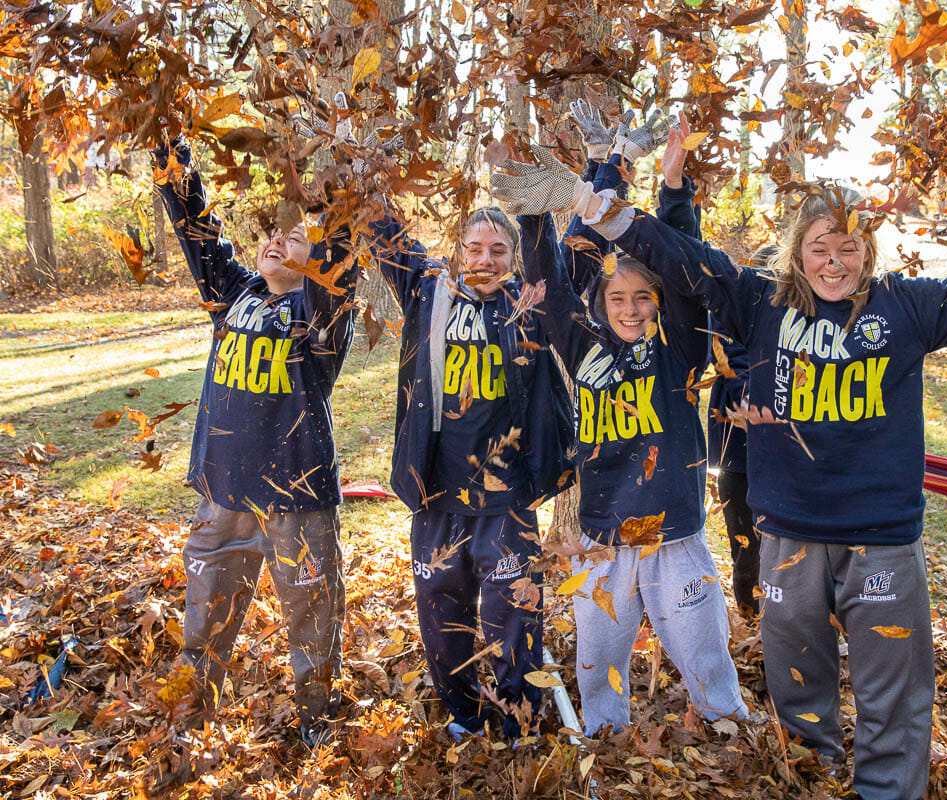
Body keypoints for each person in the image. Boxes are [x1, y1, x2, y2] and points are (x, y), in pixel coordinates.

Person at [491, 140, 947, 796]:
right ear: (798, 253)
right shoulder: (760, 303)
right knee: (798, 691)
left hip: (879, 539)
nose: (834, 263)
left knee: (891, 694)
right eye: (820, 248)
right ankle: (813, 780)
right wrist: (585, 200)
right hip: (788, 539)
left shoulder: (907, 308)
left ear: (869, 249)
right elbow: (676, 254)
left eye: (849, 247)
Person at [496, 110, 749, 736]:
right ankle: (605, 735)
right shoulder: (582, 344)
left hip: (675, 536)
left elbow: (687, 272)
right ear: (601, 303)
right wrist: (533, 215)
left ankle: (725, 725)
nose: (632, 310)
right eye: (618, 299)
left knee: (702, 649)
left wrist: (674, 192)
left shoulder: (678, 347)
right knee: (598, 659)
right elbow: (549, 283)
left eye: (643, 299)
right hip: (602, 538)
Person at [153, 133, 357, 746]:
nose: (276, 240)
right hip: (224, 490)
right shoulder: (234, 293)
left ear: (316, 258)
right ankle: (190, 719)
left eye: (295, 237)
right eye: (273, 232)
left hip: (298, 495)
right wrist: (171, 155)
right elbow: (199, 233)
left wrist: (339, 194)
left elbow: (340, 260)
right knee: (205, 611)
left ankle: (318, 723)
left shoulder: (321, 315)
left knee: (313, 615)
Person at [368, 194, 574, 740]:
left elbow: (559, 265)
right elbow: (388, 237)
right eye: (475, 248)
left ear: (513, 257)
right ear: (458, 251)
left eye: (498, 250)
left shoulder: (529, 304)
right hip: (438, 492)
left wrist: (543, 203)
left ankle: (518, 721)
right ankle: (463, 713)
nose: (485, 260)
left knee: (514, 618)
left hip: (508, 498)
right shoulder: (430, 292)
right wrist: (357, 174)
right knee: (442, 615)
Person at [709, 243, 776, 619]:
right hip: (738, 454)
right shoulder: (730, 312)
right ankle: (750, 619)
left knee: (781, 541)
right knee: (746, 542)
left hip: (785, 454)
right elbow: (728, 360)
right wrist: (753, 397)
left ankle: (780, 616)